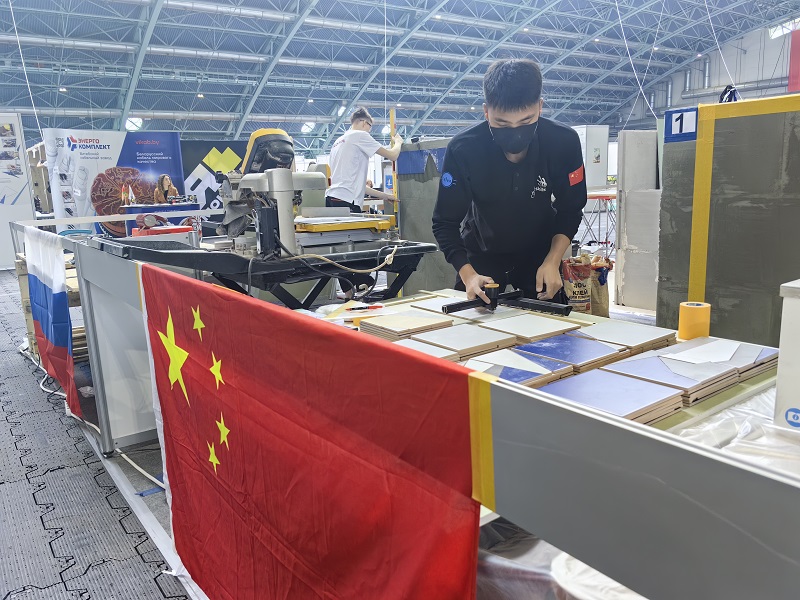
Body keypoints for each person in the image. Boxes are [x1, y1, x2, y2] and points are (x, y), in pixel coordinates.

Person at [432, 58, 587, 304]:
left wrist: (553, 260)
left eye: (526, 121)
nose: (515, 131)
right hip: (481, 255)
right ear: (486, 111)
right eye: (502, 123)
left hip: (540, 255)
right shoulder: (464, 149)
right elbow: (444, 222)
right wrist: (468, 275)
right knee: (471, 322)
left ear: (540, 107)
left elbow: (571, 209)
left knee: (550, 321)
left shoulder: (563, 142)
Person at [326, 107, 402, 213]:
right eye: (369, 127)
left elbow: (358, 186)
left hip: (331, 198)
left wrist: (385, 196)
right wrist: (398, 142)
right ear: (364, 123)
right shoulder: (360, 135)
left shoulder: (338, 142)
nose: (369, 132)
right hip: (347, 201)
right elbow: (393, 155)